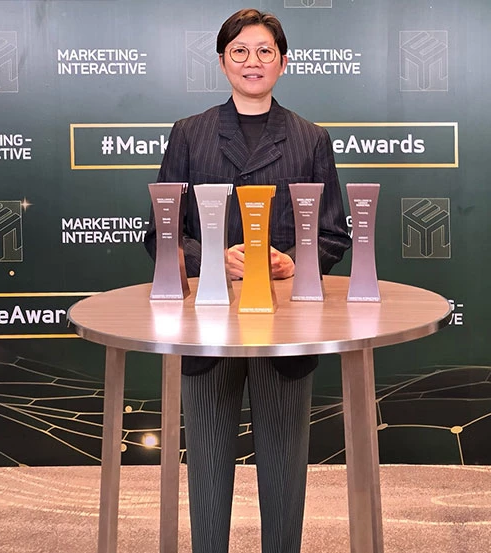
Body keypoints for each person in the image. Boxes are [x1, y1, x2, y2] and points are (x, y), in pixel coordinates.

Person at [143, 8, 351, 553]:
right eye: (239, 51)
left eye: (263, 51)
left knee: (283, 463)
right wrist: (214, 258)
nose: (251, 61)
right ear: (222, 62)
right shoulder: (189, 134)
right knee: (208, 463)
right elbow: (162, 234)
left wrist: (294, 262)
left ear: (283, 62)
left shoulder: (310, 138)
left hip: (285, 324)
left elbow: (332, 234)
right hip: (206, 321)